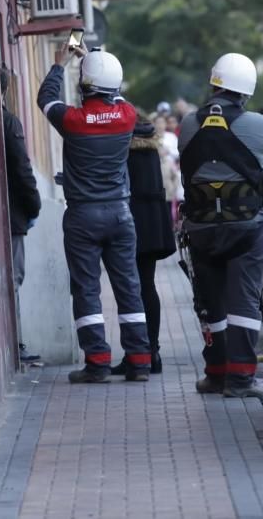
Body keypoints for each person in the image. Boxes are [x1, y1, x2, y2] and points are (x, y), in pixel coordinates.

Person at [36, 44, 152, 383]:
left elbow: (46, 98)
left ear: (84, 86)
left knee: (87, 288)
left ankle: (98, 362)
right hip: (120, 213)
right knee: (129, 286)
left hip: (83, 216)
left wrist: (61, 63)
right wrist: (96, 62)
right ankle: (140, 361)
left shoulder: (72, 120)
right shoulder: (127, 115)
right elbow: (116, 97)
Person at [179, 53, 263, 401]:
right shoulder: (256, 124)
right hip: (247, 229)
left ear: (214, 84)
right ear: (246, 91)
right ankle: (240, 380)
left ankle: (216, 374)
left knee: (211, 302)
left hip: (201, 229)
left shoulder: (187, 124)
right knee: (245, 302)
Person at [110, 117, 177, 376]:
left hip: (129, 222)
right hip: (152, 225)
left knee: (130, 289)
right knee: (148, 286)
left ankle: (136, 354)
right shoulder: (151, 148)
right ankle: (154, 352)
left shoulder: (123, 151)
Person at [1, 66, 42, 363]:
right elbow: (22, 169)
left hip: (5, 212)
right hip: (14, 215)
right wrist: (34, 206)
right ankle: (16, 344)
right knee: (14, 277)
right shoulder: (8, 122)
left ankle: (16, 343)